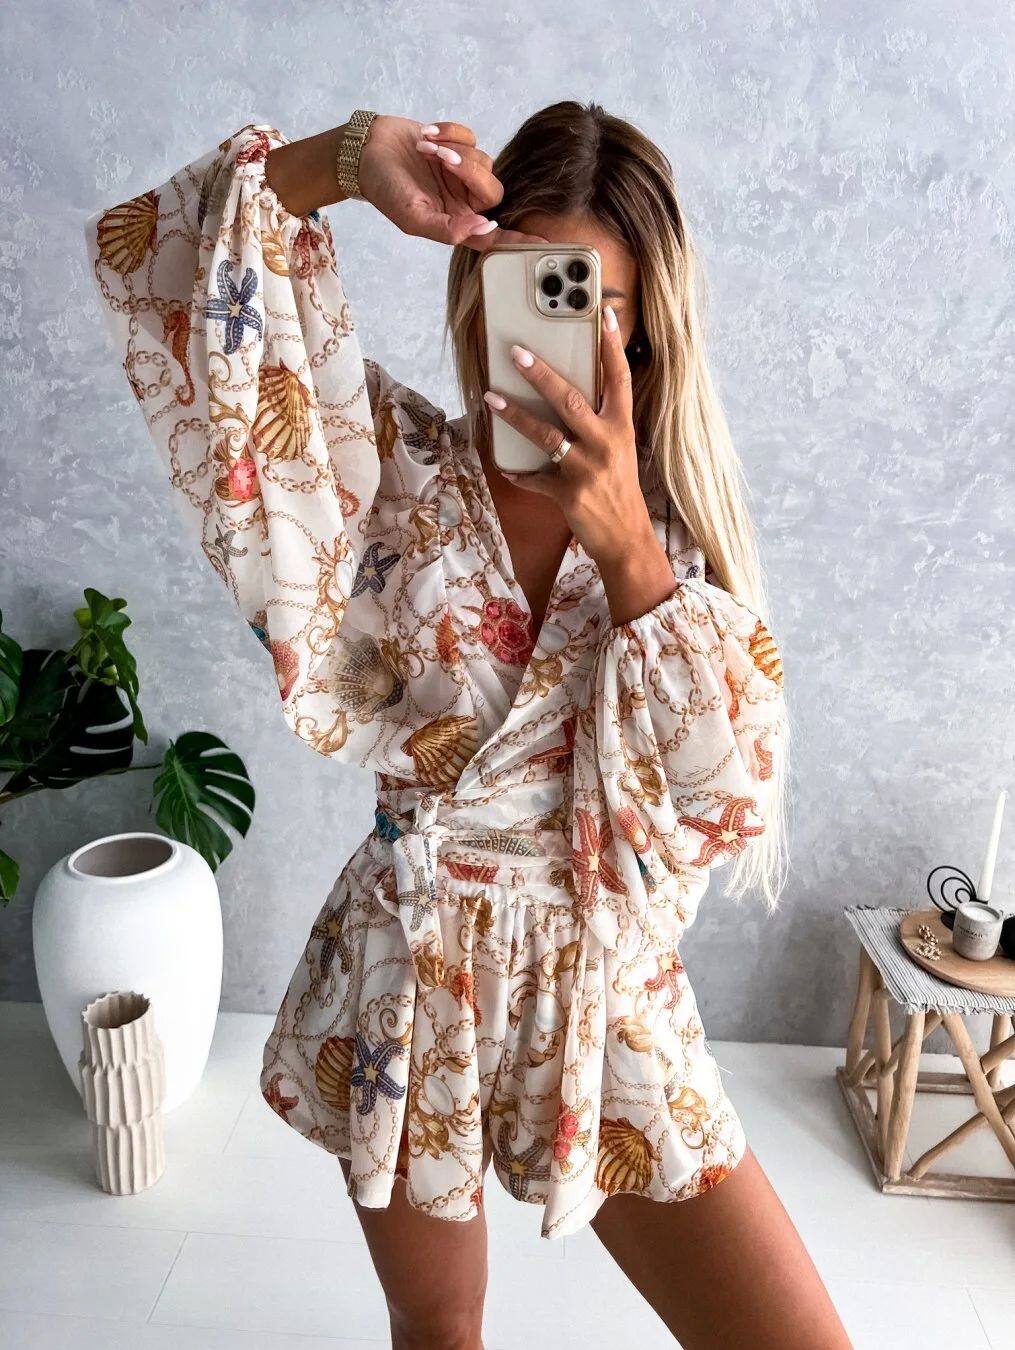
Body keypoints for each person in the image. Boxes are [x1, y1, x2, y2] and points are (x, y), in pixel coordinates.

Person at [87, 104, 849, 1350]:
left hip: (604, 995)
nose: (550, 330)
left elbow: (727, 803)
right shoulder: (386, 468)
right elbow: (160, 270)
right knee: (437, 1333)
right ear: (472, 285)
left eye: (590, 299)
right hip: (412, 966)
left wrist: (629, 555)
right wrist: (348, 159)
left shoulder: (681, 540)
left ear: (642, 324)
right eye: (522, 286)